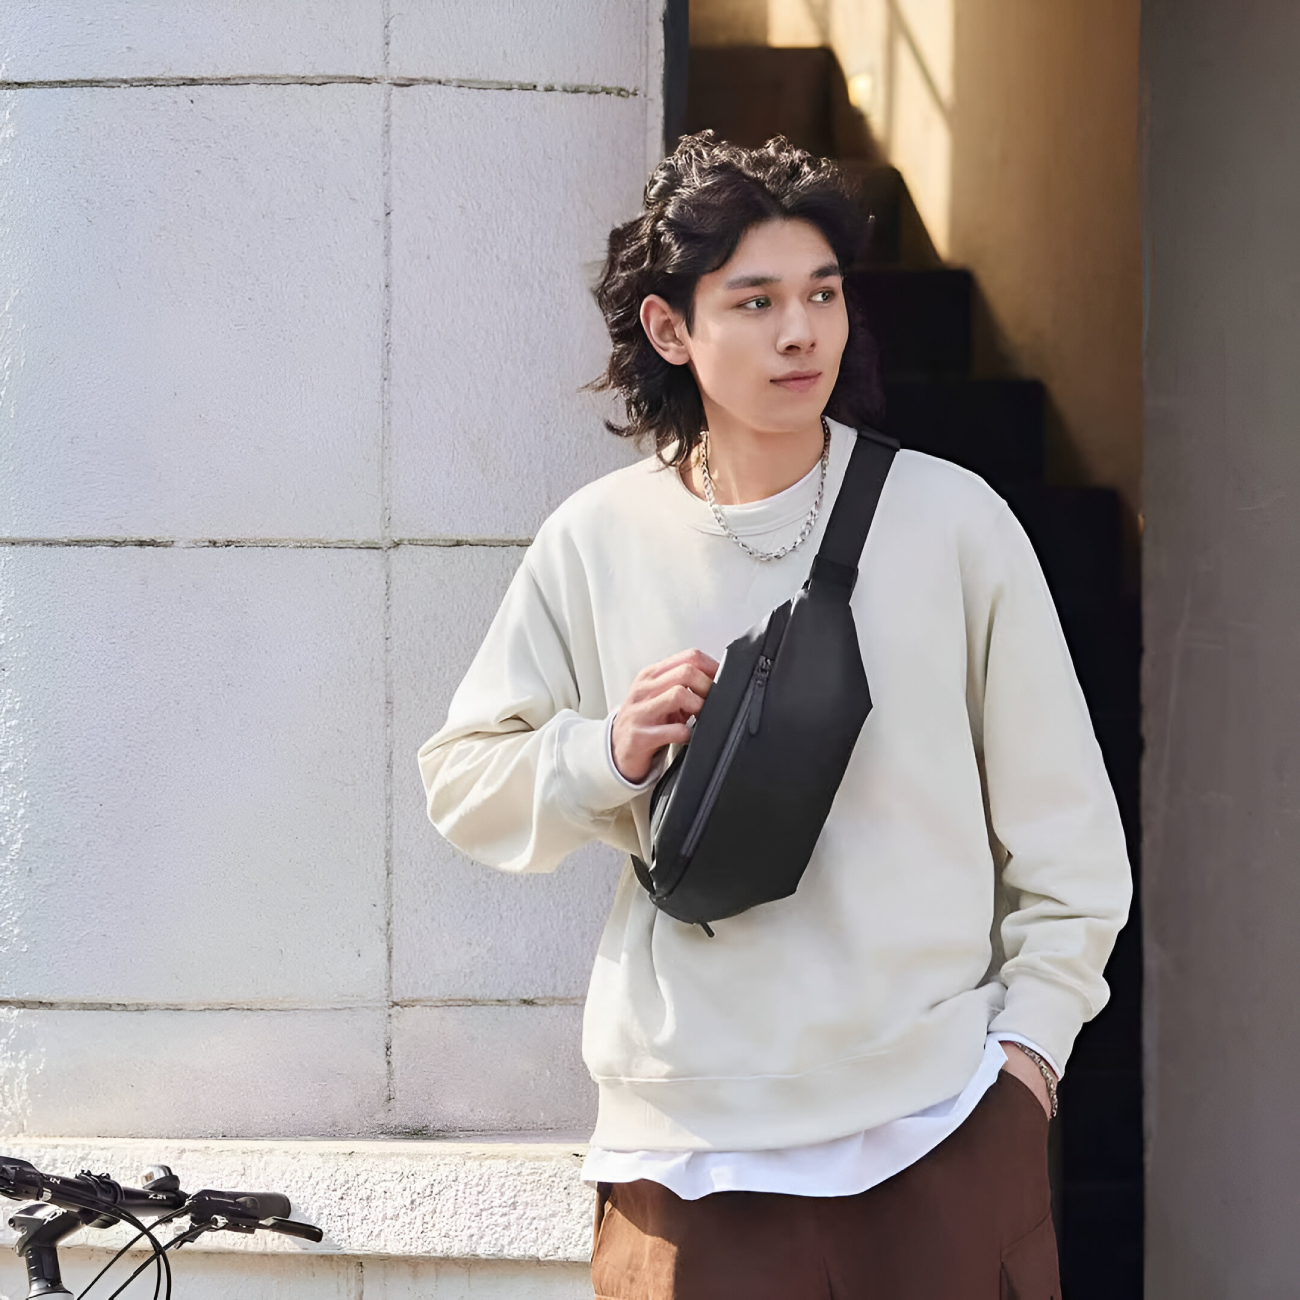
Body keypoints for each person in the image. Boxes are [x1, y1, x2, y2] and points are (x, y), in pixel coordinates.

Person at [418, 133, 1131, 1299]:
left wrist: (1027, 1058)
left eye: (822, 294)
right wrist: (605, 752)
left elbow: (1069, 845)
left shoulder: (955, 522)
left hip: (938, 1122)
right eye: (755, 302)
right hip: (686, 1150)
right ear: (670, 328)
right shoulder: (596, 538)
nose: (800, 331)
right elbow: (462, 783)